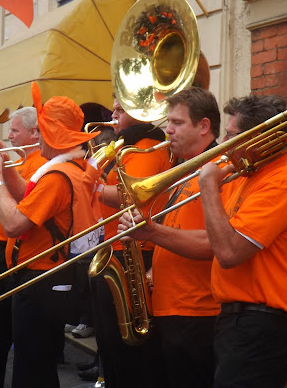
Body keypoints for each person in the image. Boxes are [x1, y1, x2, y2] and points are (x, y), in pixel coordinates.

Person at [0, 81, 101, 388]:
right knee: (36, 366)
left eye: (42, 131)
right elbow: (28, 197)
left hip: (40, 280)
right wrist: (5, 166)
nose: (38, 138)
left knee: (31, 370)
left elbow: (15, 223)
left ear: (54, 135)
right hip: (41, 278)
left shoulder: (58, 176)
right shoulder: (64, 169)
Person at [195, 94, 287, 387]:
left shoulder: (286, 180)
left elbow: (228, 252)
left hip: (262, 323)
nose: (224, 146)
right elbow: (214, 238)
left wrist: (207, 185)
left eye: (231, 137)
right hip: (240, 321)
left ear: (258, 137)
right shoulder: (250, 174)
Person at [116, 86, 222, 387]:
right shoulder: (184, 170)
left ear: (203, 127)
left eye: (177, 123)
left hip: (196, 313)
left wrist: (151, 231)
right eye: (168, 123)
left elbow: (212, 244)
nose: (168, 130)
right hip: (170, 308)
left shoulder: (219, 171)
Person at [91, 94, 172, 387]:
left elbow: (131, 196)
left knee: (126, 348)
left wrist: (90, 186)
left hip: (136, 251)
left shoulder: (146, 148)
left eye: (120, 107)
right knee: (110, 341)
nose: (113, 112)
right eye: (113, 105)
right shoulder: (126, 145)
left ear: (141, 111)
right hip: (118, 246)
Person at [0, 107, 47, 388]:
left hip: (23, 255)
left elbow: (17, 213)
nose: (9, 136)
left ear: (34, 133)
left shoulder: (40, 164)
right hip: (5, 251)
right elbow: (0, 205)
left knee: (7, 335)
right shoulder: (22, 161)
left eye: (15, 131)